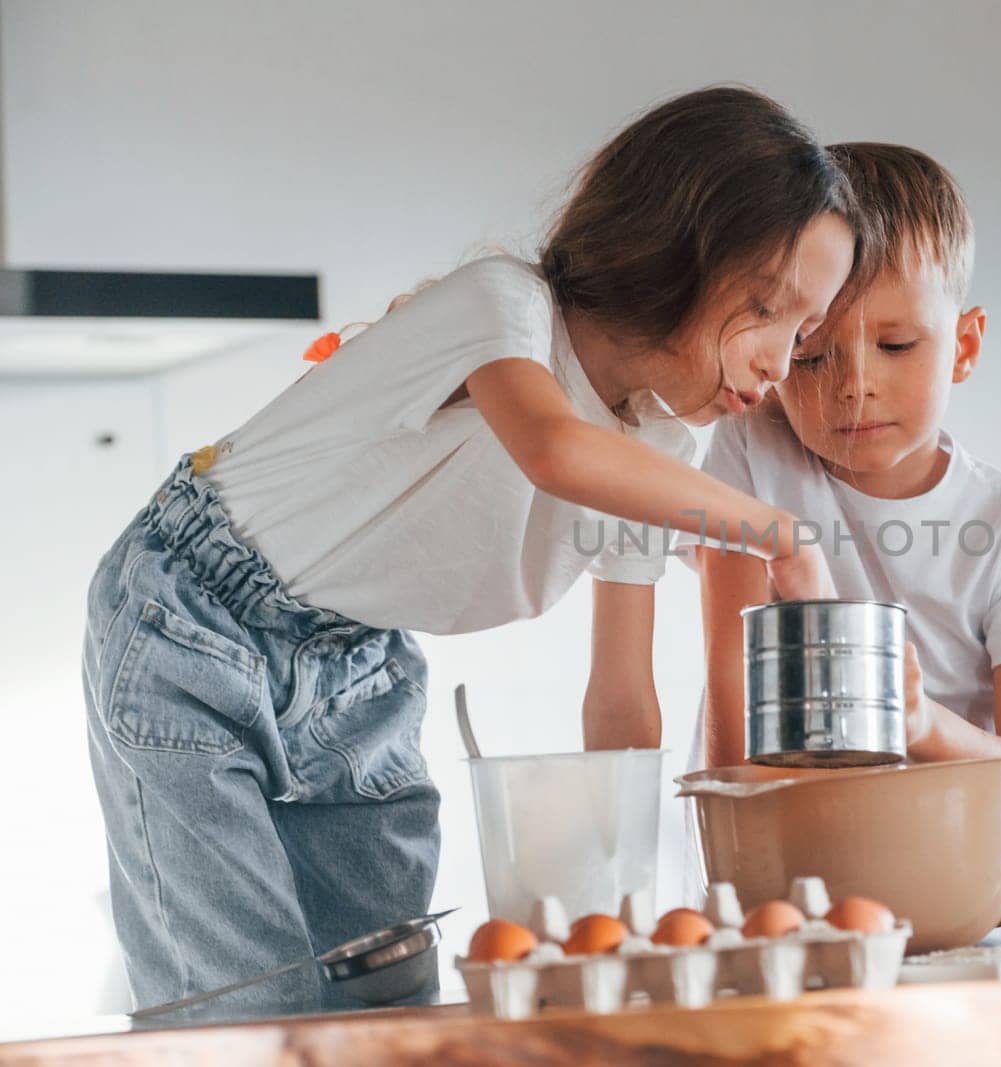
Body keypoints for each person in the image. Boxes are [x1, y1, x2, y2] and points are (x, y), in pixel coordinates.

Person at [80, 86, 870, 1009]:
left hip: (358, 669)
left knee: (387, 1002)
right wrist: (778, 533)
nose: (782, 361)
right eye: (769, 308)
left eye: (804, 332)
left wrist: (626, 917)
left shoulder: (663, 448)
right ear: (677, 245)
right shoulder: (503, 305)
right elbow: (554, 449)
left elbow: (620, 699)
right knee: (242, 1008)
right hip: (192, 619)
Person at [690, 143, 1001, 836]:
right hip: (785, 870)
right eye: (812, 356)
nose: (854, 384)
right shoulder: (752, 447)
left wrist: (922, 723)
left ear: (964, 346)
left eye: (897, 345)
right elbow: (735, 706)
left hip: (950, 885)